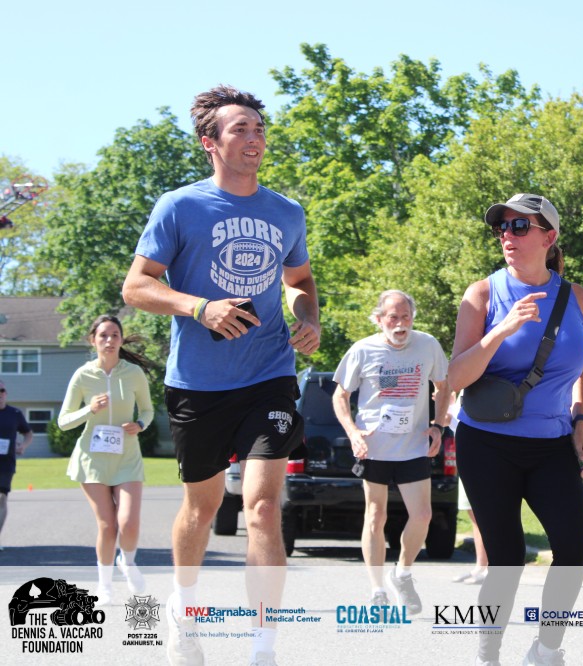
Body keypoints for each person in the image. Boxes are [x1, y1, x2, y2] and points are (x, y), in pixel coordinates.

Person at [122, 84, 321, 666]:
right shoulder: (179, 206)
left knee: (262, 506)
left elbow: (300, 282)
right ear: (210, 142)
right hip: (198, 382)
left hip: (269, 373)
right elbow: (136, 287)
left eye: (259, 129)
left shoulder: (286, 211)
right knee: (201, 509)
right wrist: (199, 307)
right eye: (241, 129)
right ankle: (184, 610)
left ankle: (264, 647)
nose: (255, 138)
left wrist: (308, 318)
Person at [449, 193, 583, 665]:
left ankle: (546, 648)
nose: (506, 236)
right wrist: (501, 331)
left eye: (519, 227)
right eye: (502, 228)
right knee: (507, 558)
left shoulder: (576, 297)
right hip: (487, 444)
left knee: (573, 549)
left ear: (549, 237)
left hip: (552, 443)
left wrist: (580, 422)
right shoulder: (483, 294)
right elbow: (455, 377)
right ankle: (488, 653)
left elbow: (578, 366)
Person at [332, 290, 450, 614]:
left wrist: (438, 425)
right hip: (374, 448)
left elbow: (444, 387)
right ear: (379, 319)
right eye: (393, 318)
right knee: (376, 515)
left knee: (422, 515)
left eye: (406, 317)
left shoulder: (428, 345)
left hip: (414, 446)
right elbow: (340, 396)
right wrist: (353, 432)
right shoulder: (362, 350)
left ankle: (402, 573)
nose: (400, 325)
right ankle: (377, 589)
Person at [58, 315, 155, 605]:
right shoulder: (83, 375)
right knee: (107, 525)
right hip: (93, 460)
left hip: (127, 457)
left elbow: (148, 410)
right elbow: (63, 421)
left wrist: (140, 424)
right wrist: (89, 409)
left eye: (115, 335)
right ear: (93, 340)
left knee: (129, 523)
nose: (109, 340)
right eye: (103, 335)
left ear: (121, 340)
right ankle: (105, 587)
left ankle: (128, 562)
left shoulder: (133, 373)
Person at [447, 394, 488, 584]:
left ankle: (491, 568)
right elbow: (456, 422)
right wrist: (448, 407)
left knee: (485, 514)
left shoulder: (480, 384)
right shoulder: (463, 389)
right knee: (474, 513)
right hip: (467, 453)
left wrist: (448, 413)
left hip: (481, 453)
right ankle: (481, 566)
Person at [0, 379, 33, 550]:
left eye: (1, 391)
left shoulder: (14, 413)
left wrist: (23, 446)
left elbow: (28, 433)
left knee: (1, 498)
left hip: (6, 463)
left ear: (5, 393)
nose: (0, 394)